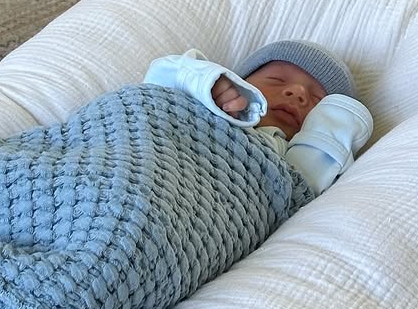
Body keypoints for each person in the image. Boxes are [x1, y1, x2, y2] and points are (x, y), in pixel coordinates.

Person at [143, 38, 373, 196]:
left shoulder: (293, 161)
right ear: (241, 80)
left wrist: (338, 122)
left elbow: (301, 191)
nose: (298, 93)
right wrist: (208, 83)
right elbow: (156, 87)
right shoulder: (203, 101)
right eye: (276, 80)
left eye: (317, 100)